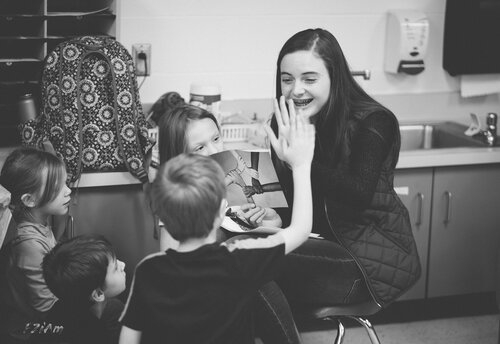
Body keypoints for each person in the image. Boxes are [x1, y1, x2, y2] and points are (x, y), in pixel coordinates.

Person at [118, 107, 315, 343]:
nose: (213, 150)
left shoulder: (147, 270)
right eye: (200, 147)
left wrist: (270, 220)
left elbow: (129, 336)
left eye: (216, 139)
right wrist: (302, 166)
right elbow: (301, 230)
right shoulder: (239, 260)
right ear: (221, 210)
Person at [265, 28, 421, 311]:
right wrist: (274, 215)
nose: (295, 89)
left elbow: (357, 193)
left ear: (334, 78)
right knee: (247, 257)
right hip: (317, 243)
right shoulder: (286, 124)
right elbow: (297, 203)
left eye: (309, 79)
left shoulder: (373, 121)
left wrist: (302, 161)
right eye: (287, 79)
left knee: (252, 261)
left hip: (366, 261)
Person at [0, 147, 71, 342]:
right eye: (58, 187)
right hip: (29, 332)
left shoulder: (40, 225)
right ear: (29, 200)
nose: (68, 191)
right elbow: (47, 307)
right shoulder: (28, 243)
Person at [37, 234, 126, 344]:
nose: (123, 265)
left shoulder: (59, 308)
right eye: (116, 269)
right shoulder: (95, 335)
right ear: (98, 294)